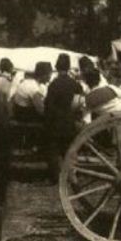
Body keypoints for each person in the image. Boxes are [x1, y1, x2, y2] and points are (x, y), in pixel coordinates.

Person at [44, 53, 83, 183]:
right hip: (70, 122)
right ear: (68, 67)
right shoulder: (75, 84)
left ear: (56, 67)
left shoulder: (53, 85)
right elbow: (79, 104)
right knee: (70, 149)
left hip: (55, 123)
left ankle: (55, 177)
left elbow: (48, 106)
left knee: (53, 150)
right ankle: (72, 175)